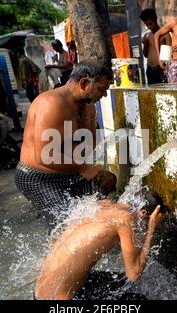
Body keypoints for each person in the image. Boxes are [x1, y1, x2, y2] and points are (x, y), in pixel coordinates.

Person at [15, 60, 117, 228]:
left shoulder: (89, 106)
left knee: (108, 180)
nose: (104, 95)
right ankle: (62, 242)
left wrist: (92, 169)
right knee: (70, 224)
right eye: (101, 89)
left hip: (68, 172)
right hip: (37, 177)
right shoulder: (51, 103)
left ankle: (94, 233)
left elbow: (87, 147)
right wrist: (84, 168)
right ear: (84, 83)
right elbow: (45, 157)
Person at [34, 190, 167, 300]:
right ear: (143, 213)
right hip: (57, 300)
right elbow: (134, 273)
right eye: (145, 223)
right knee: (137, 300)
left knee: (120, 281)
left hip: (41, 291)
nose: (141, 229)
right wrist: (151, 229)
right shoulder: (125, 220)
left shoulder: (104, 205)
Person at [139, 8, 172, 84]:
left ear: (155, 20)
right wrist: (145, 44)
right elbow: (146, 55)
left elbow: (169, 54)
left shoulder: (165, 34)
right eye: (146, 25)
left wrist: (165, 68)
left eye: (150, 24)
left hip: (161, 69)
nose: (148, 27)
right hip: (150, 69)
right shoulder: (148, 35)